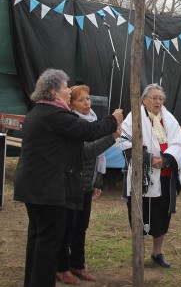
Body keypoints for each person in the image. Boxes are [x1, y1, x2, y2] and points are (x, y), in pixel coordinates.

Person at [13, 69, 122, 287]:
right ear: (53, 92)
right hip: (48, 191)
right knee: (47, 245)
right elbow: (89, 131)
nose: (68, 91)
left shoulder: (38, 113)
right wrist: (113, 120)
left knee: (37, 240)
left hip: (35, 189)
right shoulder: (55, 116)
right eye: (65, 87)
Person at [55, 85, 120, 284]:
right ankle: (61, 267)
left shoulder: (93, 122)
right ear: (72, 104)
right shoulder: (72, 124)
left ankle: (78, 264)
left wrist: (97, 182)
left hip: (85, 184)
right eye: (81, 100)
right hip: (71, 184)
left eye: (88, 99)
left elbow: (97, 160)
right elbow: (87, 151)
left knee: (81, 226)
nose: (87, 103)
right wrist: (112, 137)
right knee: (67, 227)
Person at [118, 84, 181, 269]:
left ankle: (157, 252)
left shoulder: (169, 119)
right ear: (144, 99)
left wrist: (166, 159)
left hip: (164, 175)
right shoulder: (135, 116)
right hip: (142, 175)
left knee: (162, 215)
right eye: (154, 98)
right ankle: (138, 252)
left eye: (161, 98)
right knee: (139, 213)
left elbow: (178, 142)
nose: (158, 102)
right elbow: (124, 140)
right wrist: (146, 158)